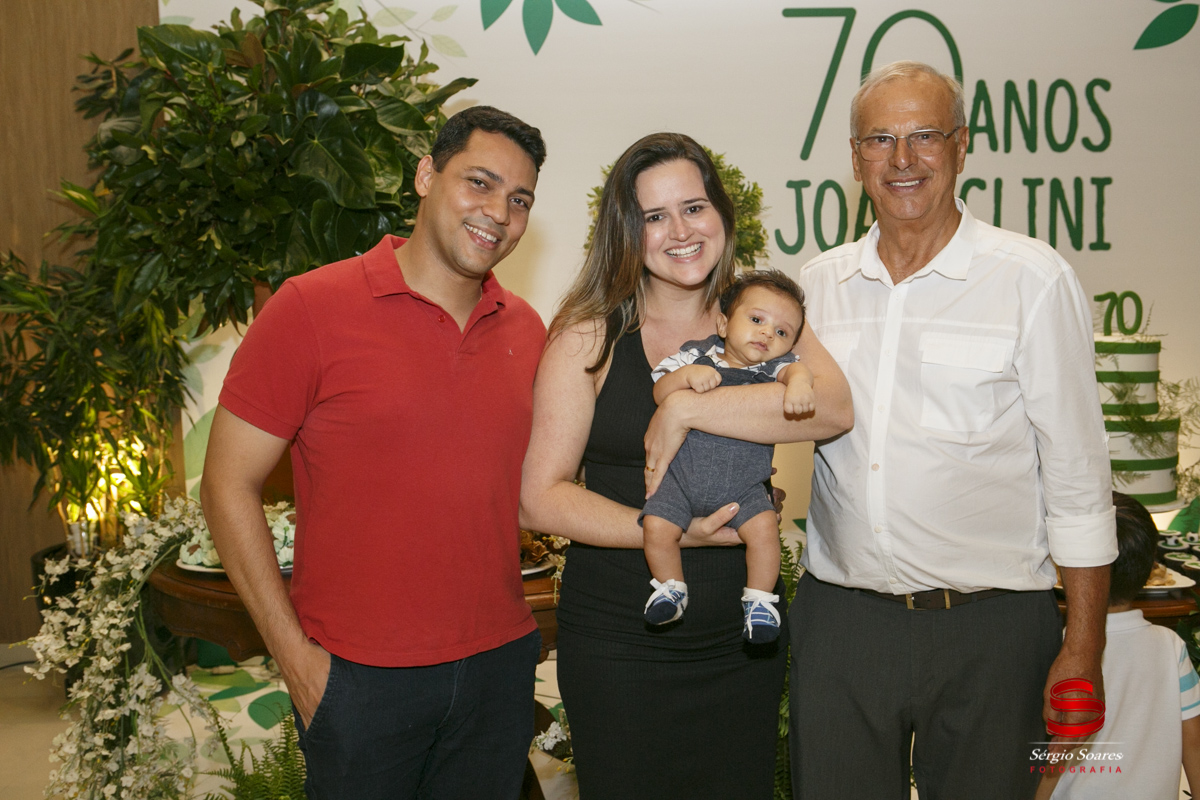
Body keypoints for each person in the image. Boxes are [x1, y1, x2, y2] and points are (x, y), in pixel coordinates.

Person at [788, 60, 1118, 800]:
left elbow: (1077, 477)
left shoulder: (1031, 279)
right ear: (855, 158)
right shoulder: (817, 286)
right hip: (842, 625)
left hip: (991, 630)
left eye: (925, 136)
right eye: (880, 139)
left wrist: (1083, 646)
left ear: (961, 146)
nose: (902, 159)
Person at [199, 106, 548, 800]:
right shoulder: (310, 307)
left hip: (498, 667)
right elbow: (225, 485)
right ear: (425, 175)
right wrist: (294, 658)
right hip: (356, 679)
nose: (498, 213)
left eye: (520, 200)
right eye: (478, 182)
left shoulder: (527, 330)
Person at [519, 132, 852, 799]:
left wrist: (686, 409)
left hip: (741, 638)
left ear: (721, 213)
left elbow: (834, 409)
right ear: (626, 231)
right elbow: (540, 498)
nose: (681, 231)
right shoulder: (590, 334)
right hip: (619, 638)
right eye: (654, 216)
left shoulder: (758, 318)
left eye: (694, 207)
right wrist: (673, 530)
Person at [640, 269, 814, 644]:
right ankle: (670, 588)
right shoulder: (695, 355)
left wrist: (800, 384)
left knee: (765, 531)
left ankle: (760, 601)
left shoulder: (774, 369)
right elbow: (659, 391)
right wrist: (686, 377)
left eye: (782, 331)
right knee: (655, 526)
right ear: (723, 324)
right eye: (757, 320)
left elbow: (797, 369)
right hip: (682, 482)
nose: (767, 334)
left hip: (745, 488)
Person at [1035, 492, 1200, 800]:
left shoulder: (1063, 651)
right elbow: (1195, 745)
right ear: (1151, 570)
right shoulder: (1172, 647)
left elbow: (1054, 756)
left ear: (1066, 569)